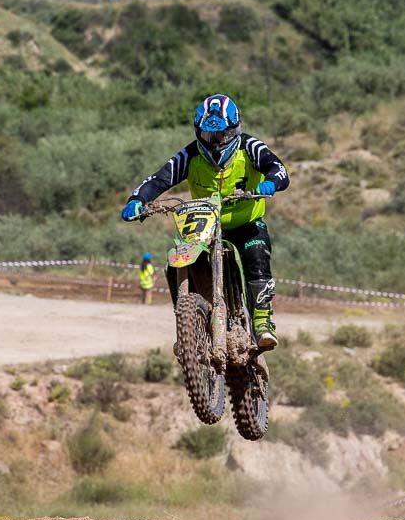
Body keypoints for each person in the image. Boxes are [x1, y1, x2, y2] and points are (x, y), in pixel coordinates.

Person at [120, 94, 289, 350]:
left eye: (221, 135)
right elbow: (158, 179)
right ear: (199, 132)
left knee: (256, 253)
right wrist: (137, 199)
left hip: (246, 223)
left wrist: (271, 182)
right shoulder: (189, 155)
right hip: (205, 225)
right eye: (209, 136)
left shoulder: (250, 147)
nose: (215, 142)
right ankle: (187, 326)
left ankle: (263, 321)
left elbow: (278, 168)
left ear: (234, 130)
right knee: (174, 261)